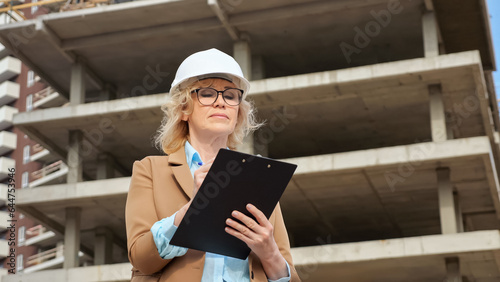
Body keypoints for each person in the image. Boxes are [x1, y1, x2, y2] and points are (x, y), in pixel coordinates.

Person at [125, 48, 300, 282]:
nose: (221, 103)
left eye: (230, 96)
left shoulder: (259, 177)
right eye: (207, 94)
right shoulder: (150, 170)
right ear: (184, 109)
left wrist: (270, 255)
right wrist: (190, 213)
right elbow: (141, 259)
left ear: (238, 112)